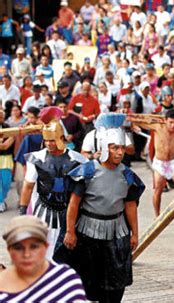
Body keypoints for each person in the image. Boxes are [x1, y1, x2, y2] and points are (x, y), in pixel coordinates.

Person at [62, 113, 145, 302]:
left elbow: (130, 205)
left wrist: (134, 233)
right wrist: (70, 231)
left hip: (117, 232)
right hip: (88, 232)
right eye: (115, 148)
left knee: (116, 281)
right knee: (89, 280)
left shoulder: (128, 175)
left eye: (122, 148)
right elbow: (74, 204)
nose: (119, 152)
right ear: (105, 147)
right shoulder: (87, 171)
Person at [19, 107, 87, 260]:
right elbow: (28, 186)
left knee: (65, 257)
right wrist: (23, 214)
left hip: (68, 212)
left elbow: (78, 195)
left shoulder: (77, 160)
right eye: (47, 140)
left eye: (52, 140)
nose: (49, 144)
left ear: (61, 138)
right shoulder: (37, 158)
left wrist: (71, 229)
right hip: (41, 212)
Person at [0, 215, 87, 301]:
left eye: (34, 247)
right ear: (9, 250)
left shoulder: (66, 279)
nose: (26, 254)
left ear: (46, 246)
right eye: (18, 248)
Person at [0, 109, 15, 212]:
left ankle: (2, 199)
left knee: (6, 182)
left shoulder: (8, 128)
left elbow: (5, 146)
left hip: (6, 158)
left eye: (1, 116)